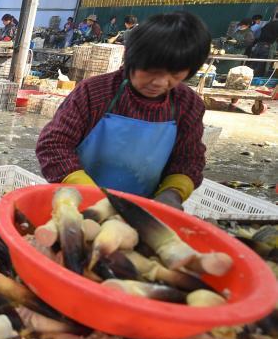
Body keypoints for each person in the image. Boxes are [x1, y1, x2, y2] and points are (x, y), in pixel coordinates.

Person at [36, 12, 210, 210]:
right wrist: (92, 196)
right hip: (78, 203)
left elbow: (189, 159)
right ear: (131, 58)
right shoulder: (95, 93)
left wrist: (173, 193)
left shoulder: (187, 105)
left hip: (143, 209)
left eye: (175, 74)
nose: (160, 83)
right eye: (151, 71)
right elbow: (54, 145)